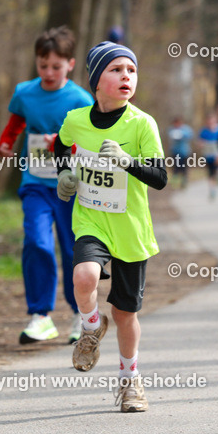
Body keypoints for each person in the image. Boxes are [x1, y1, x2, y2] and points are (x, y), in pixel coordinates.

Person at [54, 41, 167, 412]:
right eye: (116, 70)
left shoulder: (142, 124)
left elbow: (161, 178)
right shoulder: (76, 119)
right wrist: (65, 174)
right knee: (84, 276)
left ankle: (130, 380)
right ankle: (90, 326)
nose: (126, 77)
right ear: (96, 80)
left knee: (124, 314)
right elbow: (60, 146)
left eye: (131, 71)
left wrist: (127, 161)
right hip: (91, 219)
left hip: (131, 230)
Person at [0, 27, 93, 345]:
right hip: (36, 182)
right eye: (43, 65)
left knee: (71, 250)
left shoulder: (81, 99)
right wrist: (7, 141)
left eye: (56, 66)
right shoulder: (25, 92)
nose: (49, 72)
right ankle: (40, 316)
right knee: (37, 243)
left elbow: (91, 141)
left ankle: (81, 314)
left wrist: (63, 144)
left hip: (70, 187)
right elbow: (16, 122)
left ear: (70, 64)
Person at [198, 112, 218, 199]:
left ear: (216, 121)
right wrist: (202, 144)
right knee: (211, 174)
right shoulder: (204, 131)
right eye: (209, 121)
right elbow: (200, 142)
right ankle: (212, 189)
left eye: (212, 121)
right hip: (208, 156)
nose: (210, 123)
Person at [167, 117, 193, 189]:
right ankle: (174, 183)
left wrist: (182, 135)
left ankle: (184, 182)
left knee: (184, 168)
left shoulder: (186, 129)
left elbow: (190, 136)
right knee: (175, 168)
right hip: (175, 152)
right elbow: (170, 135)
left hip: (185, 152)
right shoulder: (171, 129)